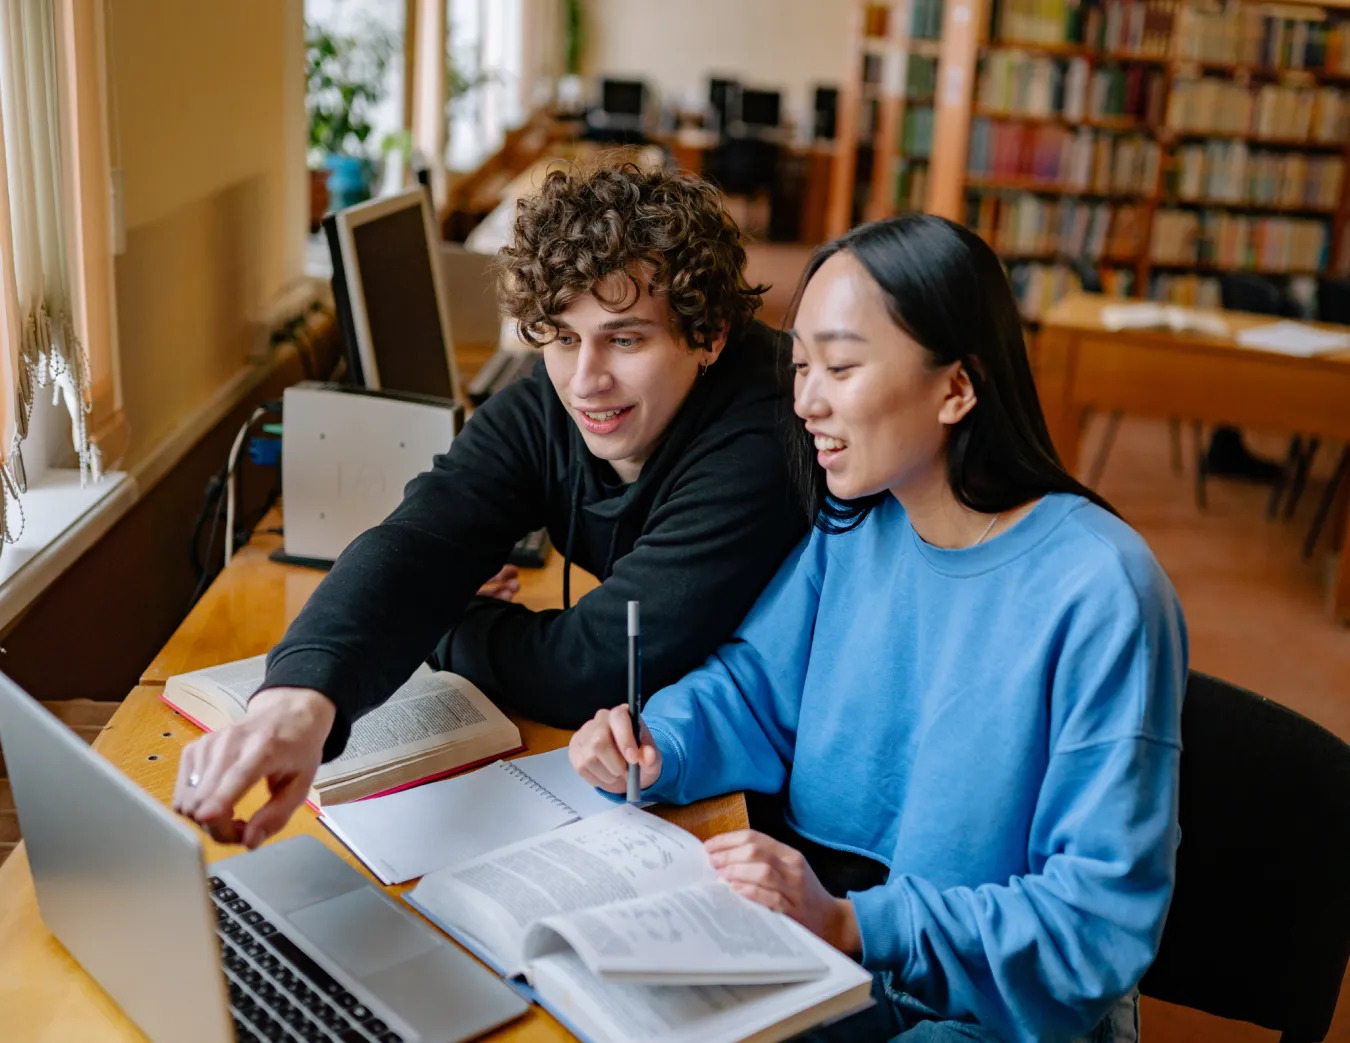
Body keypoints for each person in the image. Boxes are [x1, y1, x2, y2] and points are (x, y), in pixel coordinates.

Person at [570, 214, 1187, 1043]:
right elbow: (755, 687)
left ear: (957, 387)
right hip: (847, 956)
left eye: (842, 366)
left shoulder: (1102, 589)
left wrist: (856, 925)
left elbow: (1093, 923)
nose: (805, 401)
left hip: (997, 1013)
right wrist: (657, 740)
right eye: (799, 367)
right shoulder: (856, 521)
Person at [173, 163, 807, 849]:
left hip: (774, 807)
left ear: (708, 333)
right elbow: (424, 535)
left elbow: (592, 666)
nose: (586, 381)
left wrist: (452, 618)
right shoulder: (553, 396)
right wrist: (297, 700)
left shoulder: (767, 429)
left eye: (625, 338)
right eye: (563, 336)